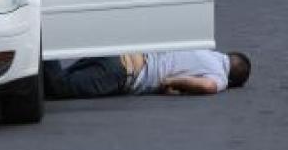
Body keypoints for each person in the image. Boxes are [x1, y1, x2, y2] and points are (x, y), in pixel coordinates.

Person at [44, 50, 251, 99]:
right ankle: (38, 35)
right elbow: (208, 87)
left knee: (52, 81)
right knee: (58, 86)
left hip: (119, 54)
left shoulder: (208, 51)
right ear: (232, 81)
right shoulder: (220, 77)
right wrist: (172, 81)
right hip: (122, 74)